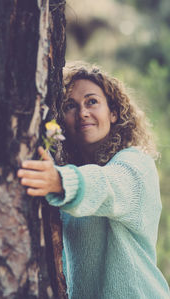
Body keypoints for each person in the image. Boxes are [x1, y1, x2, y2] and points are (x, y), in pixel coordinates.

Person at [17, 62, 170, 298]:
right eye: (70, 105)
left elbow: (108, 186)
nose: (82, 113)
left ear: (113, 112)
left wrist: (59, 181)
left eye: (92, 101)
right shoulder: (67, 180)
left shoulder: (136, 165)